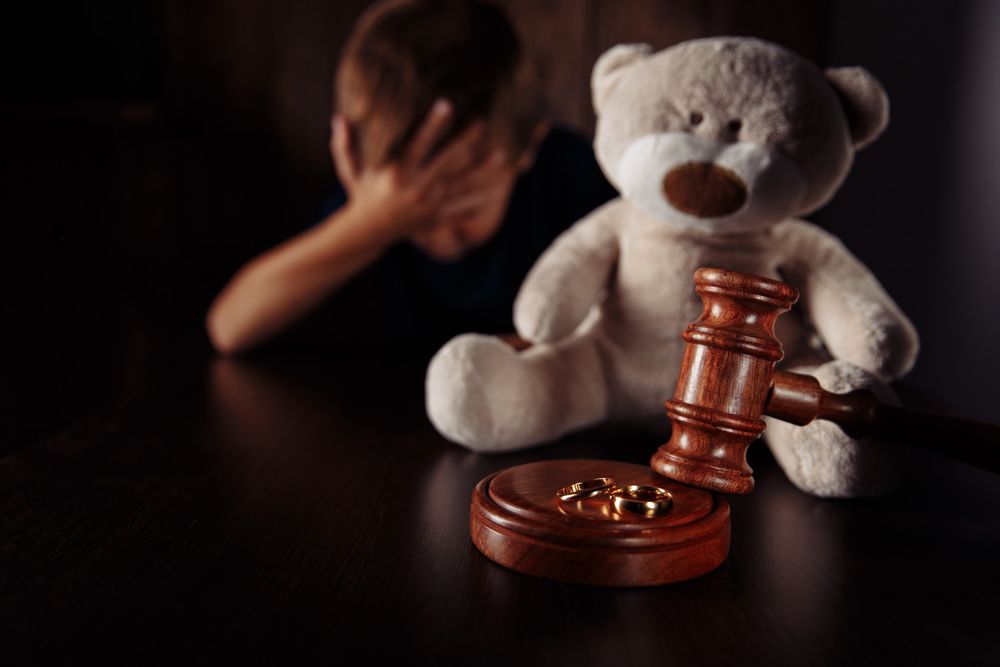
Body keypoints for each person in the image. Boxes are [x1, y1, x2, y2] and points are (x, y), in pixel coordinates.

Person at [206, 0, 617, 356]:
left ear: (529, 148)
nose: (438, 232)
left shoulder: (568, 174)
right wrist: (370, 223)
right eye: (414, 217)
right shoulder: (375, 212)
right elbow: (229, 327)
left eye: (462, 208)